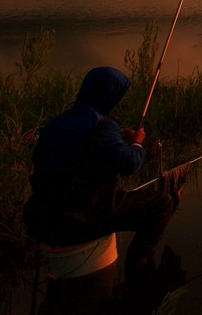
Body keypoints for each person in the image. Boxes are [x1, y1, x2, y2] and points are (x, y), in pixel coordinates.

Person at [24, 66, 178, 283]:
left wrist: (117, 139)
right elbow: (130, 164)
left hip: (41, 216)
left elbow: (79, 150)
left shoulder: (56, 124)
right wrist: (136, 142)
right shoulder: (104, 126)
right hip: (80, 216)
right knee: (161, 204)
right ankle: (139, 269)